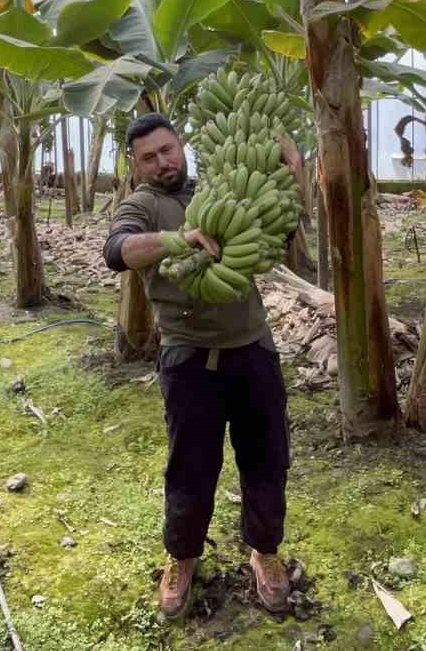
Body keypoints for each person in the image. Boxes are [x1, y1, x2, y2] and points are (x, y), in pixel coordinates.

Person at [103, 112, 300, 619]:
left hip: (253, 347)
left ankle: (264, 551)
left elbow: (281, 226)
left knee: (267, 459)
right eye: (149, 156)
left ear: (182, 146)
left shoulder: (222, 186)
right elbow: (117, 251)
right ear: (136, 164)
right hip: (188, 357)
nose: (162, 162)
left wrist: (294, 172)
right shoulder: (141, 206)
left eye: (167, 149)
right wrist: (178, 239)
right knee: (190, 467)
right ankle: (182, 558)